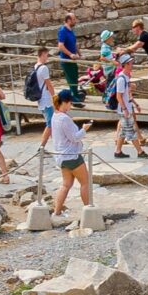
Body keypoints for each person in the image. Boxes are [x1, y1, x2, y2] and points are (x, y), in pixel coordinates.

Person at [45, 88, 93, 217]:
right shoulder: (64, 119)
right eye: (70, 103)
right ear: (65, 102)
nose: (71, 105)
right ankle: (88, 209)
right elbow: (75, 137)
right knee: (85, 183)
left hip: (61, 156)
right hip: (72, 156)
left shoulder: (55, 116)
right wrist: (84, 129)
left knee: (66, 184)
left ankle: (57, 211)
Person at [109, 52, 141, 158]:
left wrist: (135, 104)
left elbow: (128, 95)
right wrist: (125, 109)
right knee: (131, 131)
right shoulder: (121, 79)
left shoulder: (126, 78)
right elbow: (119, 96)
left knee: (123, 132)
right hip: (124, 110)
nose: (132, 65)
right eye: (131, 63)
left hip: (126, 108)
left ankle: (118, 151)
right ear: (126, 64)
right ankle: (140, 152)